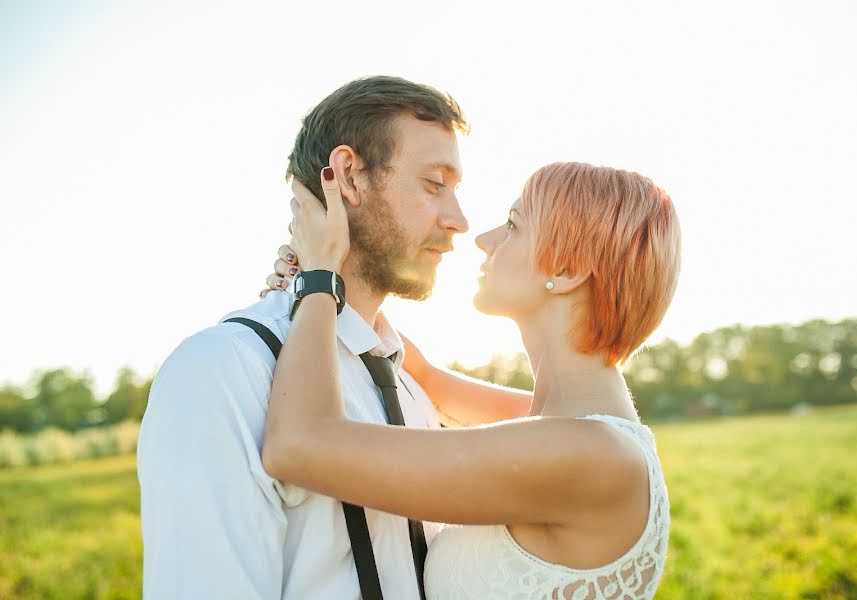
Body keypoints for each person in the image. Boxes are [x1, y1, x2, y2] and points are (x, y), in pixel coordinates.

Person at [137, 76, 528, 599]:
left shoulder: (409, 384)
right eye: (434, 184)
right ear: (348, 177)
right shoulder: (224, 369)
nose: (458, 220)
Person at [261, 160, 680, 599]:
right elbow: (425, 377)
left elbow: (299, 444)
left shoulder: (590, 453)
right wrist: (346, 278)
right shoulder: (566, 420)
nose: (483, 239)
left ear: (568, 272)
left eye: (514, 225)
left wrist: (318, 277)